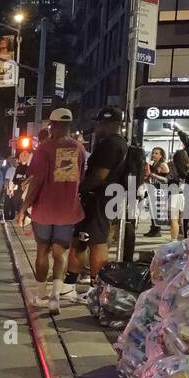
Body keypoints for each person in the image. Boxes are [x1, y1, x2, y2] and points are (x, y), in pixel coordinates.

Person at [17, 108, 86, 316]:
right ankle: (56, 296)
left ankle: (41, 295)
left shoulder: (44, 150)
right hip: (68, 210)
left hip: (45, 210)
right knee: (60, 254)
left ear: (53, 125)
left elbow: (36, 181)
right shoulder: (80, 149)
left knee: (42, 252)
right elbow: (80, 179)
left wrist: (23, 208)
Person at [67, 106, 130, 295]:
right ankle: (83, 285)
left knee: (91, 241)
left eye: (100, 123)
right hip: (109, 197)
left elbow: (99, 176)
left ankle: (92, 288)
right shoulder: (121, 143)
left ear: (109, 123)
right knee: (91, 240)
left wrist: (77, 190)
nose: (97, 127)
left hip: (98, 199)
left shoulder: (109, 145)